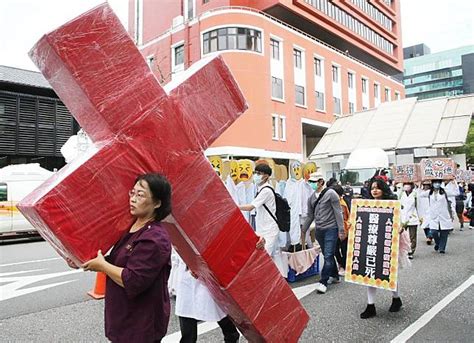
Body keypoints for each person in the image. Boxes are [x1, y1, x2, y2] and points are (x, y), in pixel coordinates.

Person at [74, 173, 173, 342]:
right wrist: (81, 259)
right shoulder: (132, 226)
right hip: (123, 318)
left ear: (157, 203)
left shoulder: (155, 238)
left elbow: (134, 279)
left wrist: (102, 266)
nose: (133, 199)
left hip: (141, 325)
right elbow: (117, 260)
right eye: (132, 193)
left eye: (140, 195)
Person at [175, 237, 265, 343]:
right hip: (189, 271)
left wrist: (256, 240)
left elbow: (237, 232)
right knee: (188, 320)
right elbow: (175, 239)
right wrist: (190, 262)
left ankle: (232, 337)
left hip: (214, 265)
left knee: (220, 310)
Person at [360, 178, 410, 319]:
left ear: (383, 189)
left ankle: (396, 298)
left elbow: (400, 221)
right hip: (372, 243)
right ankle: (371, 306)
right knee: (369, 273)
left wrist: (400, 228)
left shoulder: (392, 205)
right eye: (372, 188)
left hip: (388, 243)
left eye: (377, 188)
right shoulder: (365, 205)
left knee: (389, 273)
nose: (374, 190)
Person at [239, 164, 284, 275]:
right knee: (262, 257)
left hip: (269, 229)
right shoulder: (261, 189)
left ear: (266, 176)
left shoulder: (266, 191)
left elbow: (251, 207)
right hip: (263, 228)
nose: (256, 175)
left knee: (264, 258)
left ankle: (275, 279)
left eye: (259, 174)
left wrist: (235, 207)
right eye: (255, 173)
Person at [302, 182, 344, 294]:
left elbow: (338, 212)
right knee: (327, 254)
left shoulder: (331, 194)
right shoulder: (311, 198)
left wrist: (341, 230)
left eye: (316, 182)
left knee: (329, 254)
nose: (313, 184)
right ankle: (335, 275)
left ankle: (323, 282)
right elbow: (310, 215)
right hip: (319, 230)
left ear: (321, 183)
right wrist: (303, 229)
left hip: (331, 228)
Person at [419, 179, 454, 253]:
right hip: (433, 216)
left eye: (438, 182)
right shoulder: (429, 192)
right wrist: (420, 184)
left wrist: (453, 182)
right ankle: (438, 243)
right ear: (432, 183)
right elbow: (420, 195)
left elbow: (456, 193)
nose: (437, 184)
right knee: (434, 232)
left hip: (444, 215)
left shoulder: (444, 192)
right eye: (435, 182)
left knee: (444, 232)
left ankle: (442, 248)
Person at [332, 184, 350, 276]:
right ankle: (342, 265)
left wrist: (341, 231)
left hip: (342, 229)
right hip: (337, 228)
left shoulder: (341, 203)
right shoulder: (337, 202)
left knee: (342, 249)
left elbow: (342, 219)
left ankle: (343, 265)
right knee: (336, 249)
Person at [399, 182, 420, 259]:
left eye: (408, 185)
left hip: (412, 217)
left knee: (412, 236)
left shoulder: (415, 194)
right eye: (405, 184)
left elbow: (419, 206)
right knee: (401, 235)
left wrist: (421, 217)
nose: (406, 186)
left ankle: (411, 251)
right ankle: (402, 251)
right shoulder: (401, 194)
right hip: (402, 217)